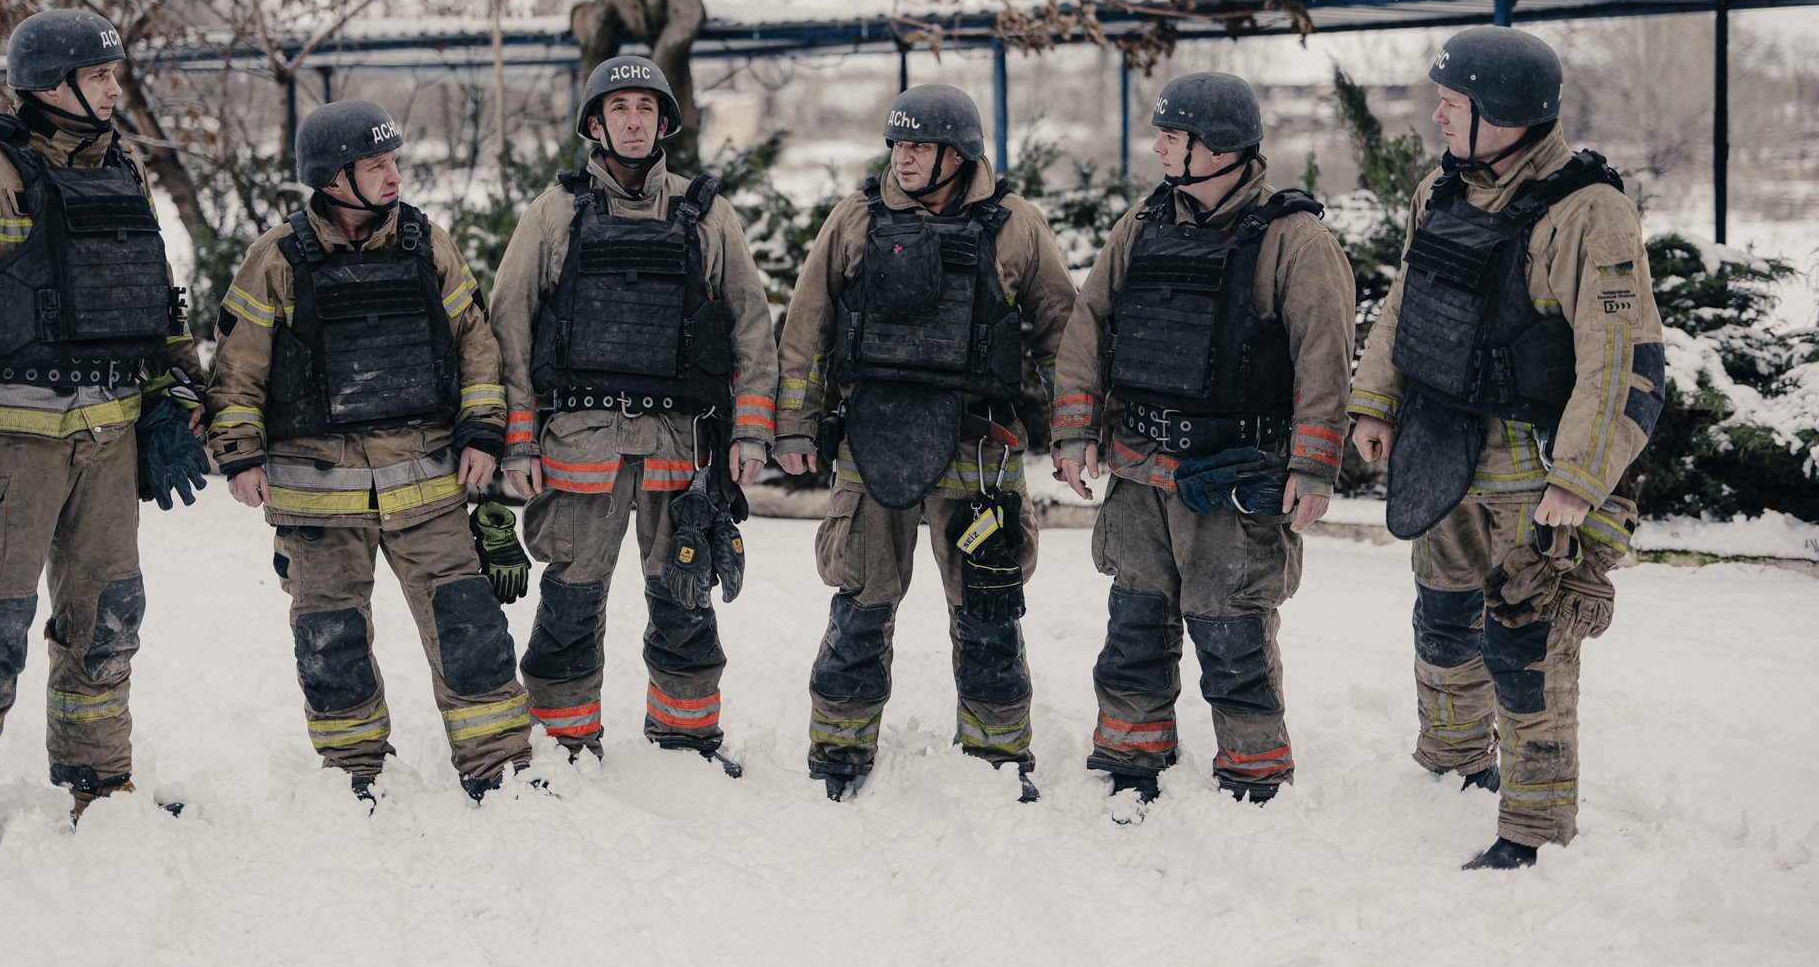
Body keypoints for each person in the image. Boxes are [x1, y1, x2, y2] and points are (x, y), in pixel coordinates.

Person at [0, 9, 210, 865]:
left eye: (113, 75)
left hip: (110, 440)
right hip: (4, 450)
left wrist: (180, 387)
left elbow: (153, 295)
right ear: (50, 84)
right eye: (100, 76)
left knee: (108, 616)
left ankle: (101, 782)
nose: (114, 89)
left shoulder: (124, 168)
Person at [1347, 27, 1664, 869]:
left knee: (1527, 651)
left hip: (1537, 478)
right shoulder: (1439, 193)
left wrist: (1579, 481)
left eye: (1452, 104)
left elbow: (1621, 359)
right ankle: (1452, 766)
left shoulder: (1591, 214)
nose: (1437, 118)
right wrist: (1376, 403)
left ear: (1506, 114)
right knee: (1443, 626)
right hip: (1442, 454)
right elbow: (1406, 303)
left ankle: (1532, 831)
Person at [206, 100, 532, 806]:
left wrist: (482, 431)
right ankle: (355, 771)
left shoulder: (427, 243)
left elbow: (477, 343)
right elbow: (238, 367)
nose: (393, 176)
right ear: (332, 178)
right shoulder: (277, 258)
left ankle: (499, 765)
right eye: (376, 165)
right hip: (316, 495)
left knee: (470, 627)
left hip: (427, 484)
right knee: (332, 639)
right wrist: (239, 452)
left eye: (394, 162)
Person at [1051, 73, 1354, 810]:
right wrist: (1073, 430)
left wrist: (1313, 467)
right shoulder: (1144, 224)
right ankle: (1131, 753)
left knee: (1232, 630)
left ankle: (1254, 770)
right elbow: (1089, 325)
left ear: (1216, 146)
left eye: (1173, 135)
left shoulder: (1294, 239)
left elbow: (1325, 355)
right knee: (1136, 623)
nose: (1158, 146)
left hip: (1233, 478)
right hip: (1140, 473)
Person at [775, 84, 1075, 802]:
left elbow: (1062, 332)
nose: (902, 158)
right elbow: (805, 330)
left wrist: (1074, 429)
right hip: (870, 441)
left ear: (957, 154)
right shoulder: (855, 220)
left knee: (989, 608)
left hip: (980, 449)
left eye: (917, 146)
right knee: (860, 599)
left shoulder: (1016, 226)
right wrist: (792, 426)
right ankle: (839, 752)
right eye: (897, 145)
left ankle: (998, 756)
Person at [490, 57, 776, 771]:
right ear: (595, 123)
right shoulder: (555, 212)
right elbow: (511, 324)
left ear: (664, 122)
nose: (633, 119)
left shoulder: (705, 211)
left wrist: (751, 429)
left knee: (684, 595)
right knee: (571, 600)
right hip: (579, 445)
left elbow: (750, 323)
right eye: (619, 108)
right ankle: (564, 744)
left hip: (678, 448)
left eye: (646, 108)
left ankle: (686, 739)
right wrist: (517, 441)